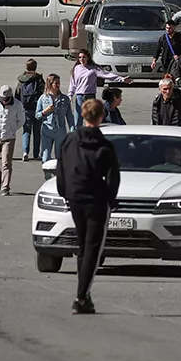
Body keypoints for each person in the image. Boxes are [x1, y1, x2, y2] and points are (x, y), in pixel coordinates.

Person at [55, 98, 120, 314]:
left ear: (83, 115)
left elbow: (61, 168)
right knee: (93, 247)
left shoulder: (70, 140)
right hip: (96, 200)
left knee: (83, 245)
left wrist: (65, 192)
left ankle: (84, 294)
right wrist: (111, 200)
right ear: (101, 117)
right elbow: (113, 178)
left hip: (75, 197)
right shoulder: (105, 146)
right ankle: (81, 296)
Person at [69, 50, 131, 128]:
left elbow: (107, 75)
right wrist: (70, 95)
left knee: (92, 118)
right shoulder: (76, 68)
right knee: (78, 119)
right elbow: (73, 84)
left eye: (84, 57)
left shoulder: (94, 68)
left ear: (88, 57)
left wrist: (121, 79)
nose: (82, 59)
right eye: (80, 57)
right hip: (79, 96)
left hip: (90, 96)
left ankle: (91, 135)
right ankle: (77, 137)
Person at [0, 86, 25, 196]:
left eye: (6, 99)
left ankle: (5, 187)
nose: (4, 101)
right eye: (2, 98)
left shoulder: (17, 105)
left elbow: (21, 120)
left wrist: (12, 129)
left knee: (6, 163)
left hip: (9, 137)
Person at [37, 74, 76, 162]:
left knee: (60, 157)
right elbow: (37, 116)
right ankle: (47, 176)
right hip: (47, 130)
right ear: (50, 84)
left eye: (59, 83)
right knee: (45, 157)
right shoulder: (43, 98)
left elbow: (69, 116)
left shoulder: (64, 99)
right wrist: (45, 111)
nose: (58, 85)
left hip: (60, 131)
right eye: (56, 83)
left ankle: (59, 175)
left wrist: (72, 130)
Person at [15, 59, 44, 162]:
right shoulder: (38, 78)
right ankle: (36, 154)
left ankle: (25, 152)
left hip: (25, 108)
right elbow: (43, 92)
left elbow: (17, 94)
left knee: (26, 131)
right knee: (37, 132)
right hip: (37, 108)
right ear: (35, 67)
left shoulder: (21, 79)